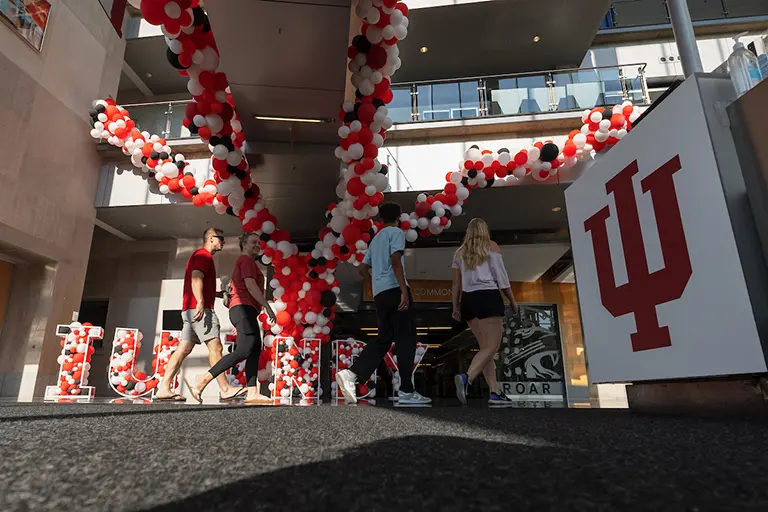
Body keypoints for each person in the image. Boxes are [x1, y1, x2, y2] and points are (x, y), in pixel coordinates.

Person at [336, 202, 432, 406]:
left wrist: (374, 284)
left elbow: (363, 268)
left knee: (384, 338)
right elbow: (396, 260)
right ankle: (406, 390)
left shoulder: (376, 239)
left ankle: (352, 373)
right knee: (406, 338)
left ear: (380, 219)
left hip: (380, 294)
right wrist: (404, 290)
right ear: (398, 217)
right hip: (395, 289)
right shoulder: (395, 233)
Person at [187, 232, 277, 404]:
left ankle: (252, 392)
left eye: (258, 243)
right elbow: (250, 286)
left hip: (245, 310)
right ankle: (203, 379)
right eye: (253, 242)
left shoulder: (246, 262)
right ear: (243, 244)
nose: (257, 245)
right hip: (243, 309)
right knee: (244, 349)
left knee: (254, 349)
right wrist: (267, 307)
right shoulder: (246, 261)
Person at [155, 228, 237, 402]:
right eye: (220, 238)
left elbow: (200, 281)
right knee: (216, 347)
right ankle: (224, 388)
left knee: (183, 349)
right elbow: (196, 278)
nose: (223, 242)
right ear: (210, 238)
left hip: (189, 309)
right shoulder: (203, 256)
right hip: (200, 310)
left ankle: (163, 388)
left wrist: (215, 294)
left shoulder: (201, 256)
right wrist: (200, 301)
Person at [452, 218, 519, 407]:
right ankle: (467, 378)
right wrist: (512, 300)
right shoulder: (491, 246)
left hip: (468, 301)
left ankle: (494, 392)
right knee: (492, 347)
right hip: (488, 297)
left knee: (485, 349)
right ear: (484, 230)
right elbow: (501, 277)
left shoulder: (459, 252)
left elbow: (456, 284)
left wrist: (456, 306)